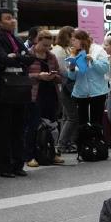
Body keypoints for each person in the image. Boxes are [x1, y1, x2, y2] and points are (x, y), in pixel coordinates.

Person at [0, 8, 35, 178]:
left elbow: (30, 58)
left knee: (19, 127)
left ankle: (18, 164)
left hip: (19, 86)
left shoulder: (17, 39)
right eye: (7, 18)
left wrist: (17, 55)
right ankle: (5, 167)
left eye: (12, 18)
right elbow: (2, 58)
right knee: (4, 128)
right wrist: (17, 56)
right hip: (3, 87)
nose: (12, 20)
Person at [24, 30, 64, 167]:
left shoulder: (51, 56)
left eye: (49, 46)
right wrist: (38, 76)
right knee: (33, 125)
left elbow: (60, 76)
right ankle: (30, 156)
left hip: (50, 93)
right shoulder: (28, 55)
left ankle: (51, 153)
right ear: (37, 41)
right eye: (44, 45)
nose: (47, 48)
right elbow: (23, 77)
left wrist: (54, 76)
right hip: (34, 94)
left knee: (52, 125)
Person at [67, 29, 110, 127]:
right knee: (82, 123)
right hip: (81, 93)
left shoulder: (98, 50)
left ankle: (97, 141)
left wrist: (93, 61)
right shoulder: (74, 53)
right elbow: (72, 77)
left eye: (74, 40)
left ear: (81, 40)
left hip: (98, 92)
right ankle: (84, 142)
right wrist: (72, 69)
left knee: (96, 122)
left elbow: (104, 69)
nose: (72, 42)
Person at [52, 26, 78, 153]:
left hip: (66, 86)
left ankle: (66, 143)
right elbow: (63, 70)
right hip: (66, 86)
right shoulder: (60, 51)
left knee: (67, 117)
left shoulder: (65, 49)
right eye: (72, 36)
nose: (73, 39)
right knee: (72, 117)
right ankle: (62, 144)